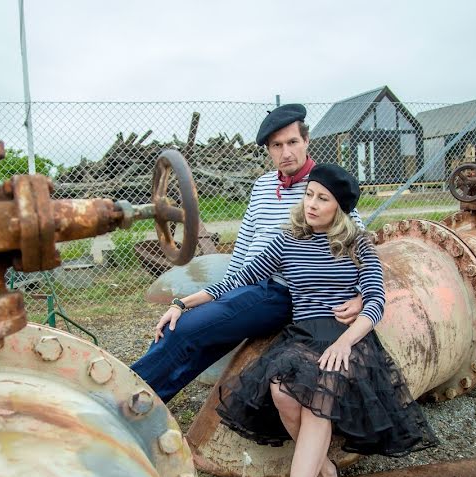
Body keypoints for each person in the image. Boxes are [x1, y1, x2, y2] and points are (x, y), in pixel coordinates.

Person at [159, 164, 437, 477]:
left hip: (347, 341)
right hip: (303, 336)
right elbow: (238, 279)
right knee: (281, 392)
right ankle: (325, 474)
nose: (311, 204)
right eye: (309, 194)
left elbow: (377, 300)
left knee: (319, 401)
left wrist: (347, 338)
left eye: (322, 199)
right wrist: (183, 303)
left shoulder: (358, 243)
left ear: (340, 208)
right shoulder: (289, 239)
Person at [131, 104, 364, 402]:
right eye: (277, 145)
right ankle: (146, 402)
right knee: (201, 338)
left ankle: (119, 397)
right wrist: (225, 293)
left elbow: (359, 244)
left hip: (282, 291)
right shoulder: (263, 186)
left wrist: (359, 295)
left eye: (293, 142)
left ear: (306, 141)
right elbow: (243, 245)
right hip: (250, 283)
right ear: (268, 150)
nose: (286, 152)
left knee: (184, 330)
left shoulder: (323, 187)